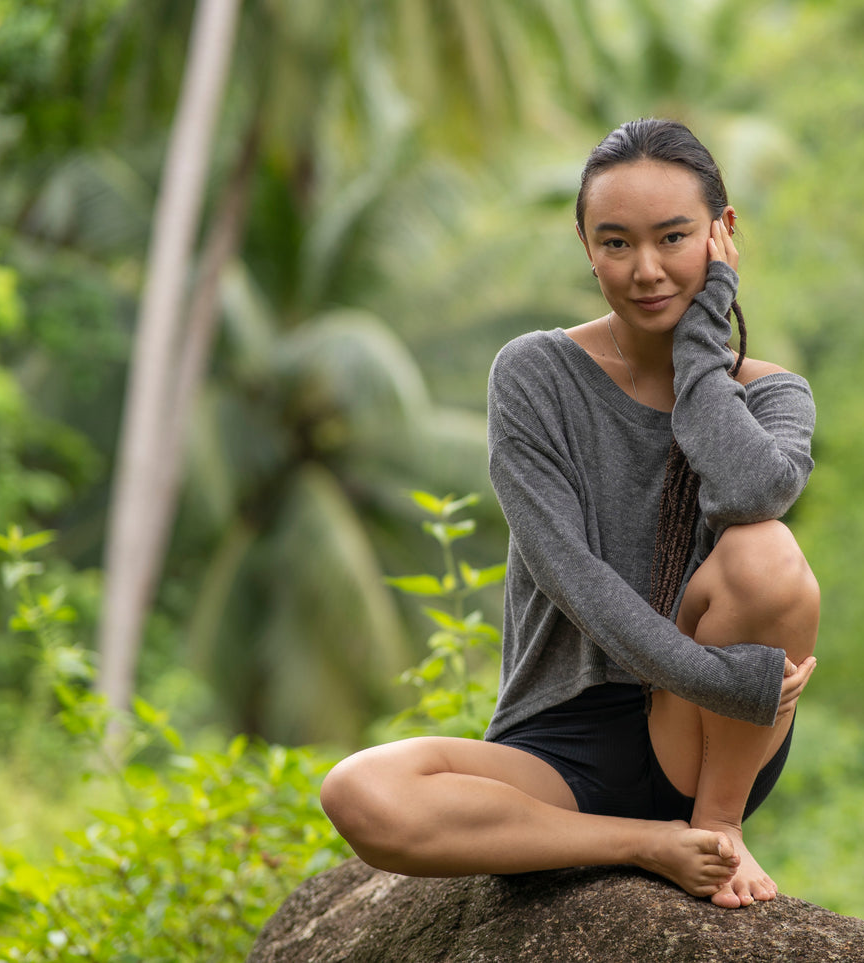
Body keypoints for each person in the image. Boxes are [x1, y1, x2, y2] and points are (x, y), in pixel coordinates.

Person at [320, 118, 819, 910]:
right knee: (361, 789)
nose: (645, 269)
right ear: (586, 247)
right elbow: (569, 574)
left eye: (674, 237)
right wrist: (730, 679)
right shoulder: (535, 372)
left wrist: (700, 345)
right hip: (560, 744)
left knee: (766, 551)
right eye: (615, 242)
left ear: (723, 234)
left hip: (700, 738)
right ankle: (648, 844)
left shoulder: (771, 391)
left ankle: (717, 829)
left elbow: (749, 494)